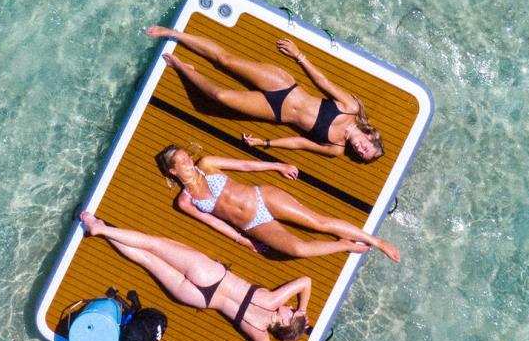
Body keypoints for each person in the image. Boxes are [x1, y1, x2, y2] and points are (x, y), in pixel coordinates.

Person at [78, 215, 312, 341]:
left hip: (210, 274)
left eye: (291, 313)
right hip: (199, 298)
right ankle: (101, 231)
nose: (291, 309)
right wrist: (290, 338)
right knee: (146, 260)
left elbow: (306, 281)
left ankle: (102, 229)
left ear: (284, 321)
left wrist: (303, 310)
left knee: (152, 244)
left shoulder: (273, 299)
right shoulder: (259, 333)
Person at [147, 26, 385, 162]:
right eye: (367, 147)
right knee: (224, 60)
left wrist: (267, 143)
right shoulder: (350, 108)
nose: (360, 150)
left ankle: (183, 68)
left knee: (221, 97)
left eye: (362, 154)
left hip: (276, 112)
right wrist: (299, 56)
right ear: (370, 136)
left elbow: (299, 143)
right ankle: (174, 34)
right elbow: (322, 82)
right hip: (284, 86)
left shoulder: (335, 148)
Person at [155, 145, 400, 262]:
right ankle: (343, 245)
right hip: (253, 224)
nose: (188, 161)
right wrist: (244, 241)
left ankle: (376, 241)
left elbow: (244, 165)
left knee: (318, 222)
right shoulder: (185, 201)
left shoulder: (207, 164)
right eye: (182, 161)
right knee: (297, 250)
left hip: (263, 197)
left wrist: (277, 165)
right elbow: (212, 221)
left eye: (187, 156)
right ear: (173, 170)